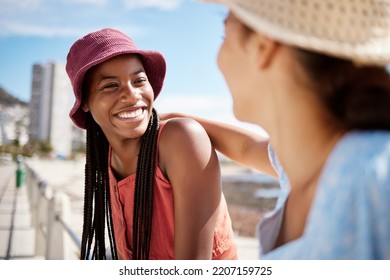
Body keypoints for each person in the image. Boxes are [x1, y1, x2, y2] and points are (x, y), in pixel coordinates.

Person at [163, 0, 390, 259]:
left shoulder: (373, 178)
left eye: (225, 35)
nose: (218, 60)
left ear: (263, 46)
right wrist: (176, 119)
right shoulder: (311, 161)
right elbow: (246, 147)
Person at [65, 28, 237, 260]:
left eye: (139, 80)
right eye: (110, 85)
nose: (132, 94)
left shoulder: (182, 139)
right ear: (84, 101)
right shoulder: (104, 158)